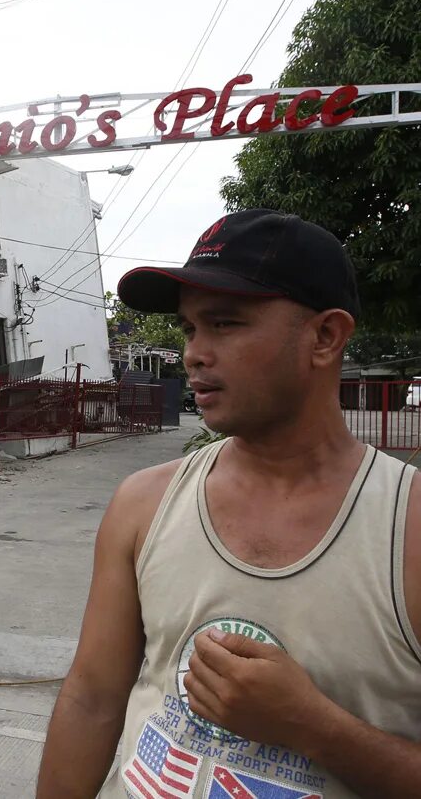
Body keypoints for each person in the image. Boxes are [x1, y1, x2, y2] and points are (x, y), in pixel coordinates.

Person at [37, 209, 421, 798]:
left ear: (325, 337)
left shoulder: (407, 527)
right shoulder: (143, 504)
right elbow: (92, 698)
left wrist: (315, 727)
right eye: (190, 329)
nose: (194, 353)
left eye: (225, 324)